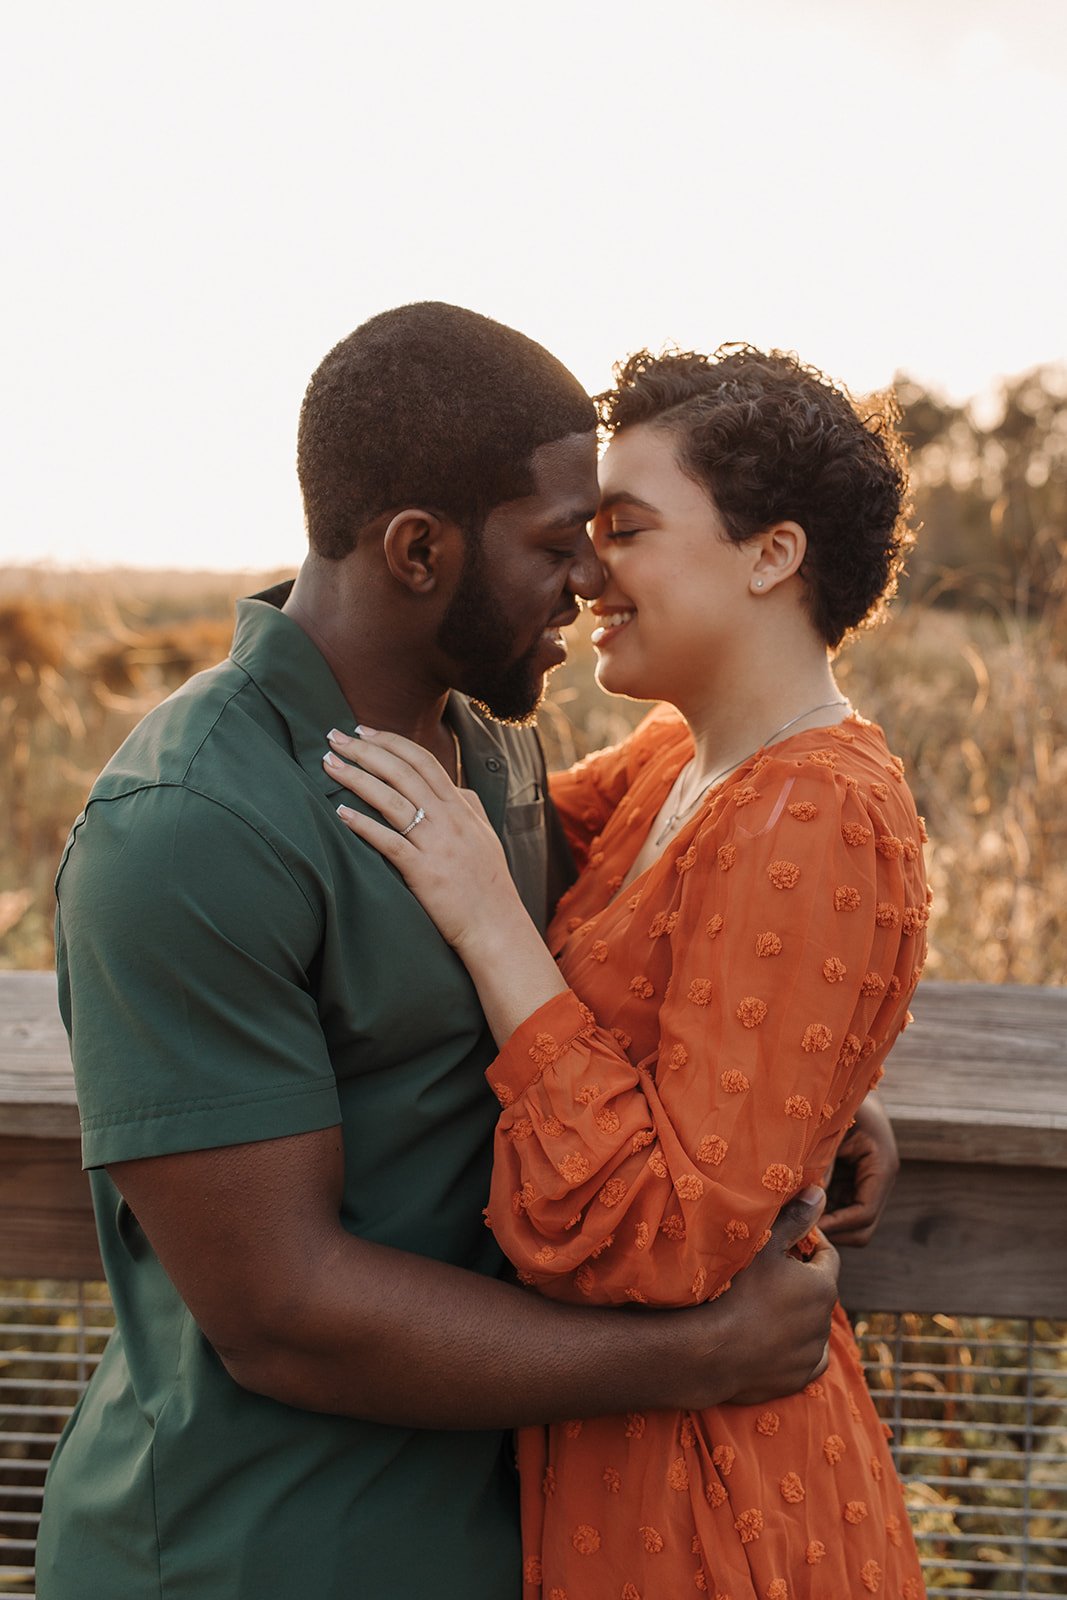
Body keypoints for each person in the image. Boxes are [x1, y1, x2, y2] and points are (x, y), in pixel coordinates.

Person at [37, 308, 855, 1600]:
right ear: (417, 550)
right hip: (252, 1553)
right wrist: (701, 1356)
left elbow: (644, 982)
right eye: (551, 544)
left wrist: (811, 1106)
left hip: (485, 1536)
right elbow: (280, 1314)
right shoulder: (189, 833)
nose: (588, 580)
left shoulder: (491, 751)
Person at [326, 344, 929, 1599]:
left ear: (771, 554)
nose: (589, 570)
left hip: (716, 1503)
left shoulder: (815, 808)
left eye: (629, 529)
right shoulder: (675, 761)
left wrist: (493, 929)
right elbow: (667, 981)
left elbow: (670, 1238)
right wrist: (809, 1092)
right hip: (617, 1463)